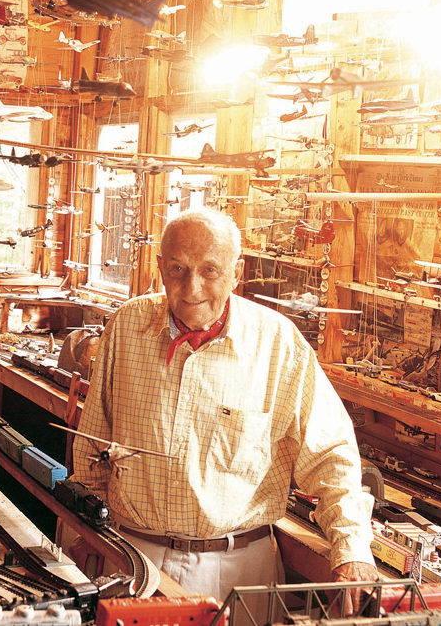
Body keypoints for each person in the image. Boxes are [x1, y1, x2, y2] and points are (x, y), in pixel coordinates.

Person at [74, 208, 376, 602]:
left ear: (237, 273)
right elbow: (92, 448)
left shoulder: (279, 345)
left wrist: (352, 548)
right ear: (161, 266)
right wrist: (83, 533)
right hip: (132, 556)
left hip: (237, 569)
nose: (191, 287)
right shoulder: (126, 326)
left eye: (210, 271)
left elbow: (331, 456)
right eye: (178, 269)